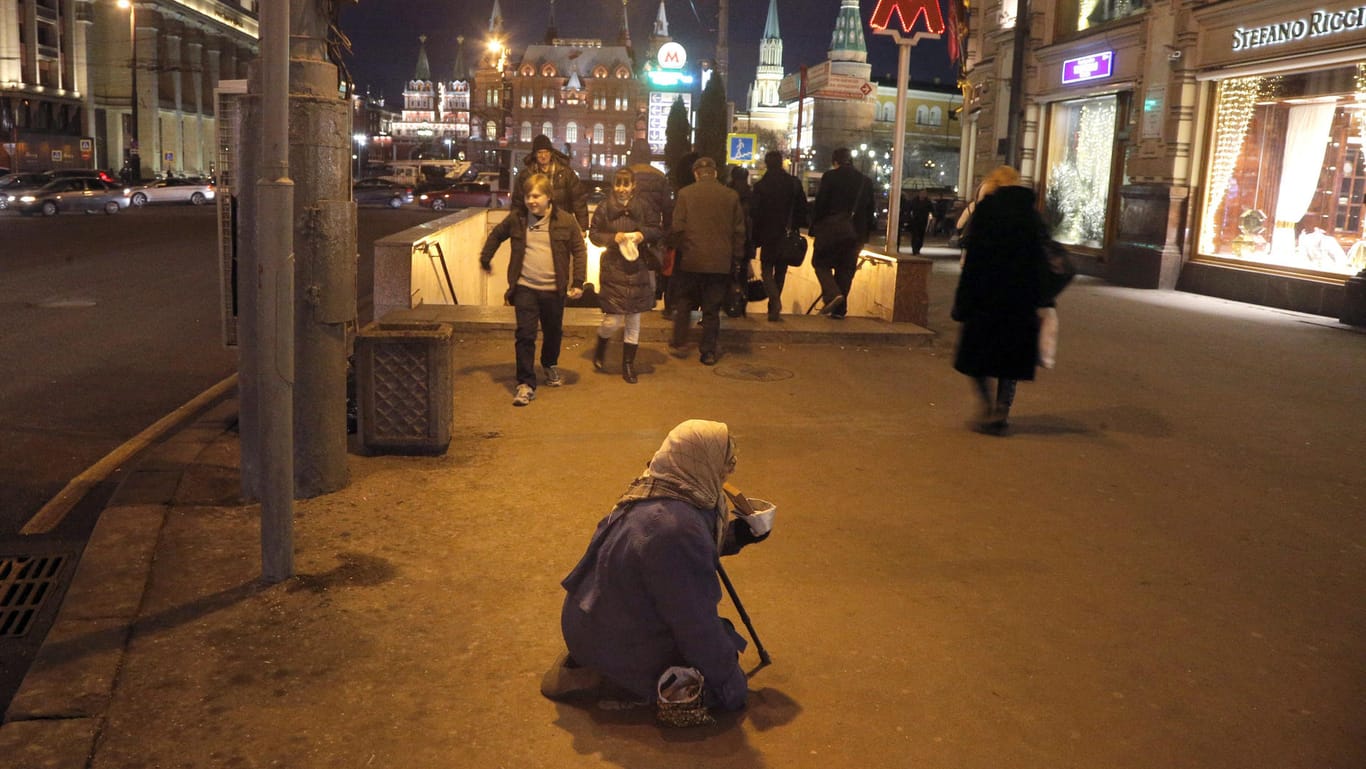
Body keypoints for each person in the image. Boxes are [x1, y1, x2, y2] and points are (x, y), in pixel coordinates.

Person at [543, 419, 770, 713]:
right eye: (725, 463)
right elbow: (694, 621)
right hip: (607, 637)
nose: (730, 471)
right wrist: (731, 687)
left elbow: (682, 556)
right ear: (699, 461)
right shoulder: (675, 528)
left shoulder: (660, 487)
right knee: (711, 674)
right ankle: (621, 687)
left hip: (588, 618)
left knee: (719, 643)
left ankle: (605, 667)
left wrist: (738, 534)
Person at [950, 165, 1050, 435]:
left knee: (974, 357)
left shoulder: (986, 212)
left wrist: (963, 301)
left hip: (986, 296)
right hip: (1020, 299)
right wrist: (1042, 298)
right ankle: (1002, 411)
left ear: (993, 184)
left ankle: (987, 405)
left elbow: (974, 261)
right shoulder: (1031, 215)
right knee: (1010, 359)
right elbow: (1042, 258)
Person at [480, 173, 587, 406]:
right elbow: (497, 235)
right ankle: (525, 383)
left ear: (549, 197)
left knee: (553, 332)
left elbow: (579, 250)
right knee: (525, 335)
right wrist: (486, 258)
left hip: (553, 290)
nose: (531, 200)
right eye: (528, 196)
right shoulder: (517, 219)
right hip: (525, 287)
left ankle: (549, 364)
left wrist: (578, 282)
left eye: (536, 195)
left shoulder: (566, 221)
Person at [588, 168, 663, 384]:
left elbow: (657, 229)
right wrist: (613, 237)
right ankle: (602, 342)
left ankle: (628, 365)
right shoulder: (604, 207)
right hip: (613, 266)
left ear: (633, 186)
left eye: (626, 184)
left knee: (634, 318)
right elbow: (593, 234)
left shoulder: (644, 206)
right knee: (612, 319)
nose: (622, 189)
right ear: (613, 186)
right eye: (618, 184)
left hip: (637, 265)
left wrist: (642, 234)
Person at [668, 157, 746, 365]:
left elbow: (677, 228)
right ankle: (708, 352)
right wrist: (736, 258)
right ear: (715, 173)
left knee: (684, 301)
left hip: (691, 260)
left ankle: (679, 342)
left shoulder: (685, 194)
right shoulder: (731, 196)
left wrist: (682, 250)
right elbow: (739, 231)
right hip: (720, 263)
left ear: (696, 174)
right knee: (712, 308)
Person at [808, 147, 876, 319]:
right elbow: (870, 211)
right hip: (855, 234)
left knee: (820, 263)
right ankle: (839, 311)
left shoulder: (830, 177)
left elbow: (820, 205)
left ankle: (831, 294)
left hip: (831, 232)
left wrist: (814, 227)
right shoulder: (865, 181)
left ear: (835, 161)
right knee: (845, 270)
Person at [750, 150, 808, 321]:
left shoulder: (761, 186)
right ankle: (773, 308)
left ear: (767, 164)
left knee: (766, 270)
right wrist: (795, 226)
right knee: (781, 271)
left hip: (768, 235)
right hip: (787, 234)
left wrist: (755, 238)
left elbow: (755, 213)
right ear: (782, 163)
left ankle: (774, 301)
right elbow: (802, 209)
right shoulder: (794, 183)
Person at [512, 134, 588, 231]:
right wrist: (516, 227)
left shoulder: (566, 173)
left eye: (546, 152)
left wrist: (582, 228)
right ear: (535, 154)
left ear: (551, 153)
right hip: (535, 225)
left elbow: (579, 200)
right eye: (540, 152)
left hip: (561, 225)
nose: (543, 156)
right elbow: (518, 203)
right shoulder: (526, 175)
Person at [904, 189, 935, 255]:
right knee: (915, 235)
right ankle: (914, 249)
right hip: (915, 220)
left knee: (921, 235)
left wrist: (933, 217)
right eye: (922, 193)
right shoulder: (914, 201)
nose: (923, 195)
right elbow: (909, 210)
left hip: (923, 221)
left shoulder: (928, 202)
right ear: (919, 193)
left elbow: (932, 210)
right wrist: (908, 219)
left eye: (924, 193)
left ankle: (918, 248)